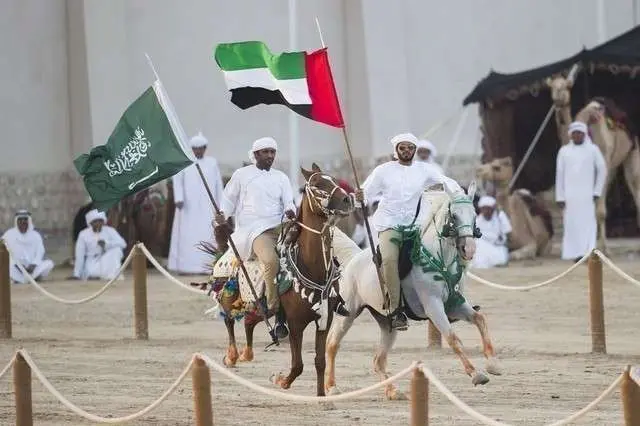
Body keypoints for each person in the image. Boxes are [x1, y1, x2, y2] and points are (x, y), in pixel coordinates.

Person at [355, 132, 464, 330]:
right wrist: (359, 196)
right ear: (396, 150)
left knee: (439, 255)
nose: (407, 151)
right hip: (390, 226)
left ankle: (451, 301)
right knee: (388, 260)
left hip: (415, 228)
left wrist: (458, 196)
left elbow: (446, 181)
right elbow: (365, 193)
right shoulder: (383, 171)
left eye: (410, 148)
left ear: (414, 150)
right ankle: (396, 311)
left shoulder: (424, 169)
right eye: (402, 148)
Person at [216, 137, 296, 312]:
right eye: (265, 152)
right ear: (256, 154)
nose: (270, 155)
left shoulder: (281, 177)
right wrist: (223, 214)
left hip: (282, 226)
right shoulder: (242, 175)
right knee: (270, 260)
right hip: (257, 231)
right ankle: (272, 304)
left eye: (272, 152)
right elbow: (228, 199)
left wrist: (291, 210)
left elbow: (289, 202)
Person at [168, 131, 224, 275]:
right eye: (195, 148)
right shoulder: (184, 161)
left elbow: (218, 184)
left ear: (205, 148)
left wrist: (220, 205)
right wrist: (178, 198)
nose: (198, 151)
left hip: (208, 208)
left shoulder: (212, 162)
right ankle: (185, 266)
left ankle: (208, 266)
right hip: (188, 207)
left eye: (201, 148)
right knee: (187, 235)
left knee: (208, 233)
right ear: (191, 149)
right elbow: (177, 180)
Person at [555, 121, 607, 261]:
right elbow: (559, 174)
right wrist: (560, 196)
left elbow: (602, 170)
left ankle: (588, 252)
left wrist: (597, 191)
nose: (577, 136)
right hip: (569, 196)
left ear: (584, 134)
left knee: (588, 224)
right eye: (575, 133)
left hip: (587, 196)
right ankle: (574, 254)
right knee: (571, 224)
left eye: (580, 133)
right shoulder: (564, 151)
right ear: (570, 135)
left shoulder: (593, 149)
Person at [72, 209, 127, 280]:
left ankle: (111, 276)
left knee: (117, 250)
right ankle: (97, 276)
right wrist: (76, 274)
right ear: (90, 223)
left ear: (103, 221)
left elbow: (123, 244)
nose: (98, 223)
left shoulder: (110, 230)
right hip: (92, 262)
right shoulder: (83, 234)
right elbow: (80, 255)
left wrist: (107, 244)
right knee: (92, 272)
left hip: (107, 259)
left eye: (100, 221)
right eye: (95, 221)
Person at [1, 210, 54, 284]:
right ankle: (29, 279)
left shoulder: (35, 235)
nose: (23, 222)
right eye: (20, 220)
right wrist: (16, 264)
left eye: (25, 219)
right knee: (5, 267)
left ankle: (24, 279)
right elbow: (4, 251)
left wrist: (34, 264)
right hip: (15, 268)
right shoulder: (9, 234)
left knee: (49, 263)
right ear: (16, 221)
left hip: (31, 268)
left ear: (29, 221)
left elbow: (40, 252)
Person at [472, 196, 511, 268]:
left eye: (488, 208)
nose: (486, 211)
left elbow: (507, 232)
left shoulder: (500, 217)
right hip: (483, 247)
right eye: (484, 209)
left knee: (500, 261)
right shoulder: (477, 221)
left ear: (493, 209)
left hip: (498, 247)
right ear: (481, 209)